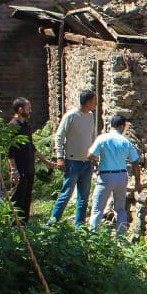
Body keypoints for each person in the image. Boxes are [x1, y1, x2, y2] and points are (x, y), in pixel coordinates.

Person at [87, 113, 142, 236]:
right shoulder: (126, 141)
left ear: (111, 125)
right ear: (122, 126)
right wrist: (138, 182)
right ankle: (121, 236)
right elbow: (135, 163)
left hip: (105, 176)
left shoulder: (102, 138)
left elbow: (90, 155)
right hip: (121, 176)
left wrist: (97, 163)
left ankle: (92, 235)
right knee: (120, 209)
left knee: (97, 209)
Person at [50, 90, 98, 225]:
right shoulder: (71, 116)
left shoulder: (90, 116)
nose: (96, 103)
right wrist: (60, 157)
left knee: (84, 196)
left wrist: (93, 156)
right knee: (66, 194)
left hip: (86, 162)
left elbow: (90, 137)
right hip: (72, 162)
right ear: (88, 102)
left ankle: (79, 225)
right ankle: (52, 222)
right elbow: (59, 136)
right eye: (94, 101)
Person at [6, 98, 52, 221]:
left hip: (29, 168)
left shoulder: (26, 125)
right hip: (19, 170)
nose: (30, 110)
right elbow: (9, 151)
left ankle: (24, 224)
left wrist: (46, 161)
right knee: (17, 198)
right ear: (20, 109)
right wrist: (13, 169)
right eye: (28, 108)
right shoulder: (12, 126)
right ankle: (14, 226)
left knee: (26, 199)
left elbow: (31, 147)